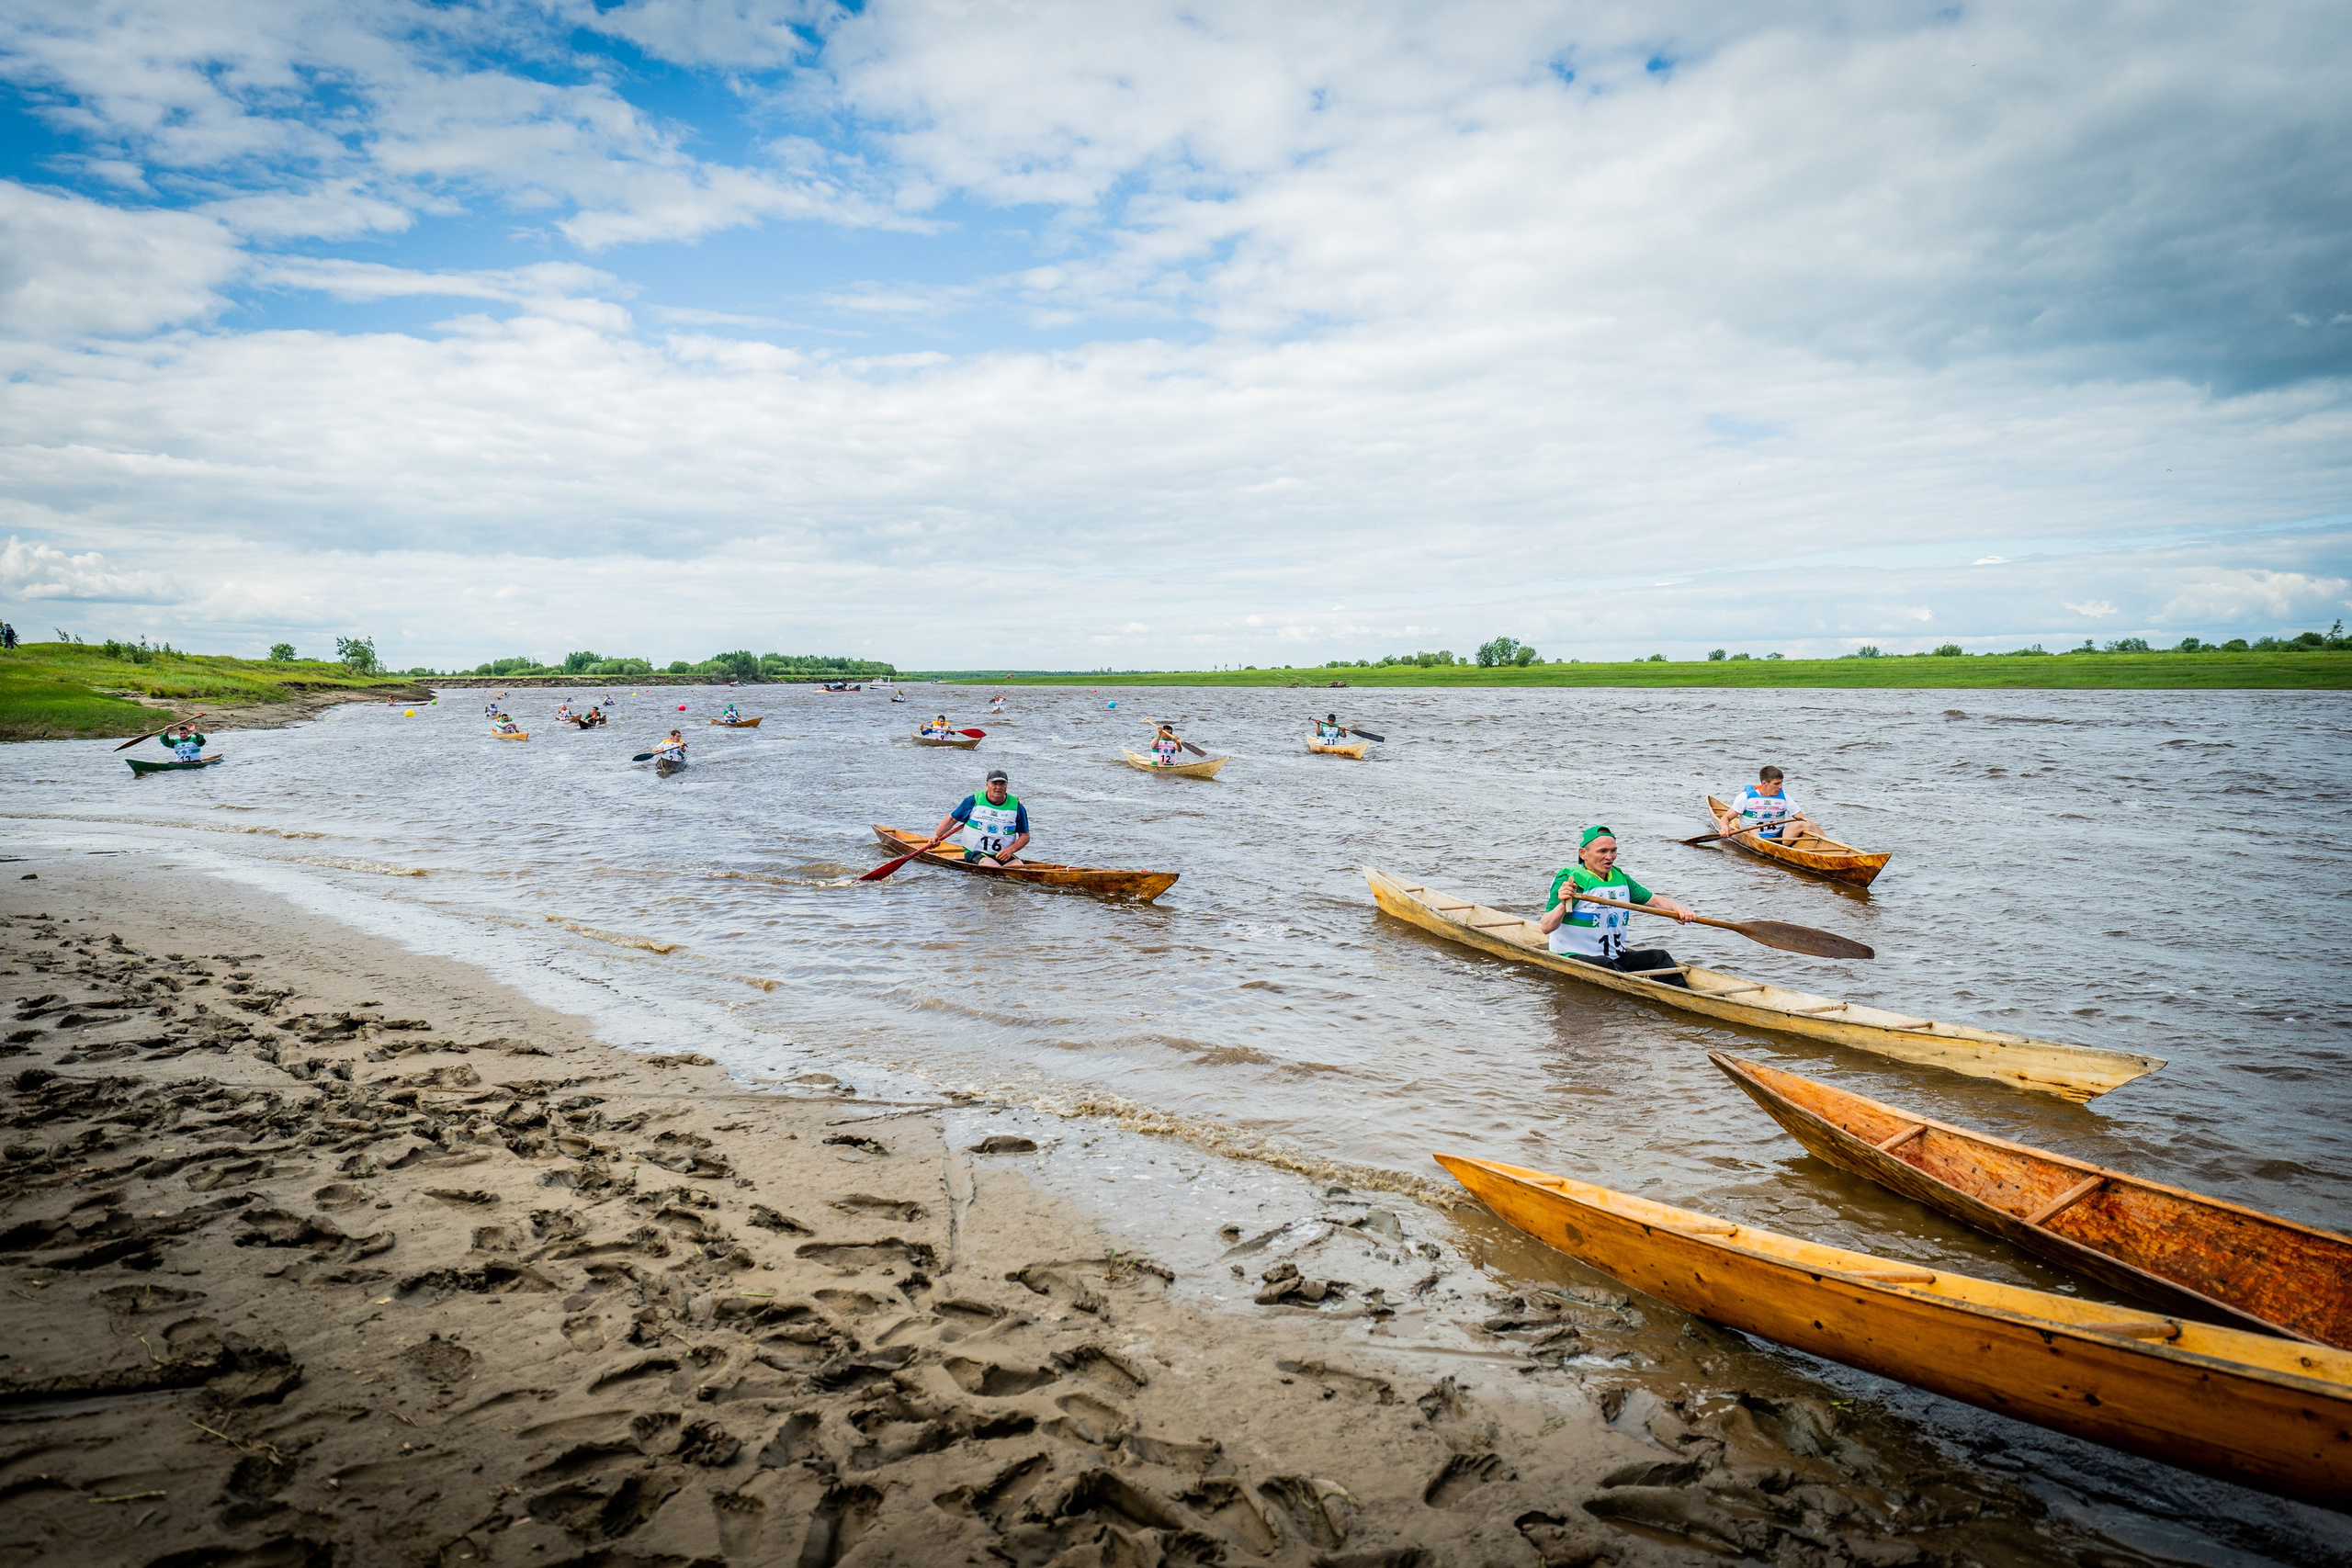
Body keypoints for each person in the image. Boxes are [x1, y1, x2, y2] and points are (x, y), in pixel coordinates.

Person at [1537, 825, 1698, 988]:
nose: (1610, 857)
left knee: (1659, 957)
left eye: (1613, 851)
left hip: (1615, 956)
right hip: (1574, 955)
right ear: (1583, 854)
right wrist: (1564, 904)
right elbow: (1546, 926)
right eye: (1603, 851)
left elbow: (1655, 901)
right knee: (1607, 965)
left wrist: (1678, 909)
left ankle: (1686, 994)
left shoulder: (1620, 878)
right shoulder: (1572, 879)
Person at [918, 768, 1029, 867]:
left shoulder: (1017, 806)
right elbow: (952, 819)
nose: (998, 788)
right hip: (976, 852)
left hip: (1003, 854)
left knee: (1019, 866)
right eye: (994, 784)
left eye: (1002, 784)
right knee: (993, 867)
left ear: (1006, 785)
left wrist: (1011, 850)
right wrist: (936, 835)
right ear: (987, 784)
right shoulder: (974, 801)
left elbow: (1025, 836)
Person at [1715, 765, 1815, 845]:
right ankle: (1764, 848)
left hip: (1779, 837)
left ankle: (1829, 848)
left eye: (1781, 783)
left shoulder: (1785, 798)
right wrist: (1724, 827)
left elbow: (1802, 818)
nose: (1780, 787)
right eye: (1776, 784)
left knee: (1806, 822)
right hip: (1753, 837)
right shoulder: (1746, 797)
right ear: (1764, 783)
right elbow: (1726, 817)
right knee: (1753, 829)